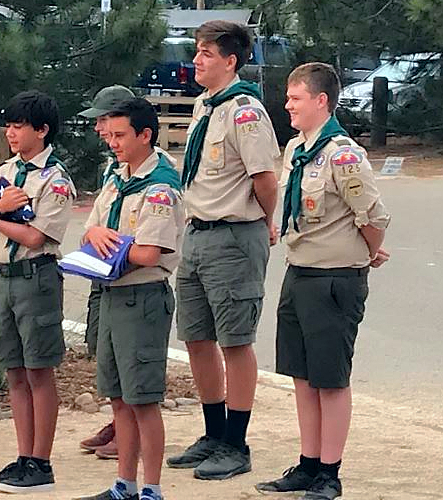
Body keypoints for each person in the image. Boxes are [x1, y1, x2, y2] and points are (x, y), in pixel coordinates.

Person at [253, 62, 390, 500]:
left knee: (330, 380)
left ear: (320, 101)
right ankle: (308, 463)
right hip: (300, 273)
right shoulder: (299, 148)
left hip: (334, 280)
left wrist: (367, 252)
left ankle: (330, 472)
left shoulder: (343, 155)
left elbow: (372, 215)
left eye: (295, 98)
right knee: (302, 377)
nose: (287, 105)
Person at [166, 20, 279, 481]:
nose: (196, 61)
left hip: (234, 234)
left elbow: (265, 179)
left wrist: (266, 222)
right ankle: (213, 432)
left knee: (235, 341)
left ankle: (236, 442)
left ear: (230, 61)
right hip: (197, 232)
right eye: (196, 52)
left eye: (206, 54)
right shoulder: (203, 106)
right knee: (197, 337)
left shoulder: (244, 111)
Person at [75, 98, 185, 500]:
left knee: (143, 399)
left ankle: (151, 488)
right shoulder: (117, 178)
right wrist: (99, 238)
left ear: (145, 135)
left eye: (121, 135)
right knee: (118, 396)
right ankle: (125, 484)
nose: (112, 142)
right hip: (110, 292)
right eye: (110, 135)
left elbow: (149, 253)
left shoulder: (159, 188)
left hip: (142, 297)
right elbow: (89, 230)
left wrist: (109, 242)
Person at [0, 90, 76, 494]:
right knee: (13, 370)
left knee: (39, 369)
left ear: (42, 130)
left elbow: (36, 237)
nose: (11, 132)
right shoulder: (3, 173)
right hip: (2, 275)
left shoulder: (54, 179)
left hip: (35, 277)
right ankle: (23, 457)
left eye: (20, 126)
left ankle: (42, 460)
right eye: (10, 124)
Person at [77, 84, 137, 461]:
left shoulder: (146, 168)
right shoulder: (111, 169)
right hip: (103, 272)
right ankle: (119, 424)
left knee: (129, 358)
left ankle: (132, 432)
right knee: (102, 349)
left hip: (129, 275)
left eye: (105, 121)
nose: (100, 130)